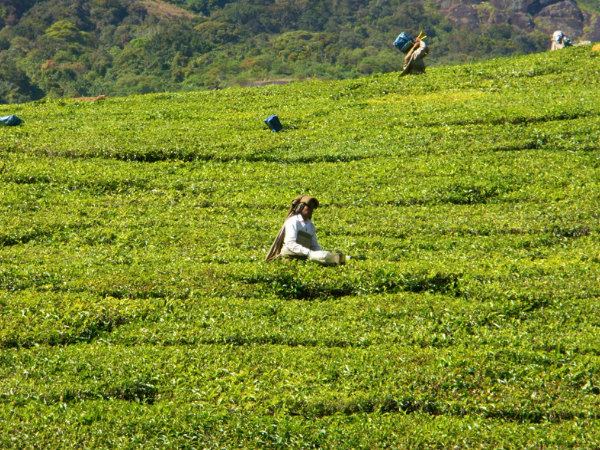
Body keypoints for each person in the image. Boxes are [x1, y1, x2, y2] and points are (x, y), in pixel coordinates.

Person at [265, 195, 347, 265]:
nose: (311, 209)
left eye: (312, 208)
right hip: (289, 258)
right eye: (309, 206)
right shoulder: (293, 221)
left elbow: (314, 245)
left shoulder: (310, 225)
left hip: (303, 258)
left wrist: (323, 254)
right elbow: (290, 243)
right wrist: (308, 252)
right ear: (301, 207)